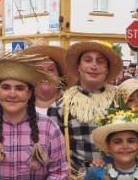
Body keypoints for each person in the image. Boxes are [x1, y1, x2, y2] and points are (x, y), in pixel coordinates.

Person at [49, 41, 123, 170]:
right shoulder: (60, 106)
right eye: (88, 60)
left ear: (107, 69)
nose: (94, 66)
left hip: (117, 178)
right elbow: (53, 153)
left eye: (100, 61)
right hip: (77, 178)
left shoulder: (120, 102)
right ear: (79, 67)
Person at [24, 45, 66, 115]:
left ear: (59, 77)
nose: (45, 73)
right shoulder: (17, 106)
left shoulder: (75, 105)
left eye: (50, 69)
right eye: (39, 70)